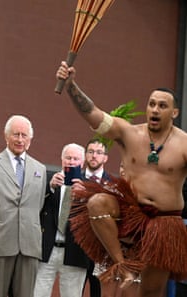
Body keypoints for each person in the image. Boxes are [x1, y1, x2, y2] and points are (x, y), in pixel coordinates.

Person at [56, 62, 187, 297]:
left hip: (165, 222)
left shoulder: (184, 143)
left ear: (174, 113)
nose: (155, 110)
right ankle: (122, 265)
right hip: (130, 212)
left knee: (151, 292)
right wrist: (71, 86)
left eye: (162, 106)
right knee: (96, 203)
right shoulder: (129, 132)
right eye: (152, 104)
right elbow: (93, 115)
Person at [0, 115, 47, 297]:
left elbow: (38, 204)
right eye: (16, 134)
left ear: (30, 139)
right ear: (6, 136)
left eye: (24, 135)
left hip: (29, 244)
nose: (20, 139)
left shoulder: (40, 169)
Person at [35, 143, 89, 297]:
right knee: (37, 293)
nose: (71, 162)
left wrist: (85, 197)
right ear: (62, 159)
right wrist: (50, 188)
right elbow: (35, 207)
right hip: (47, 250)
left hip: (75, 251)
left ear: (82, 162)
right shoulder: (50, 180)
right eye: (68, 158)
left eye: (75, 159)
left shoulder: (90, 187)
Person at [82, 139, 111, 297]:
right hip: (76, 248)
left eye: (99, 153)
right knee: (73, 291)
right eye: (91, 152)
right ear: (85, 155)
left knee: (98, 292)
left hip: (101, 248)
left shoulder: (113, 184)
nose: (94, 156)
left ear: (105, 158)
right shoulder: (74, 180)